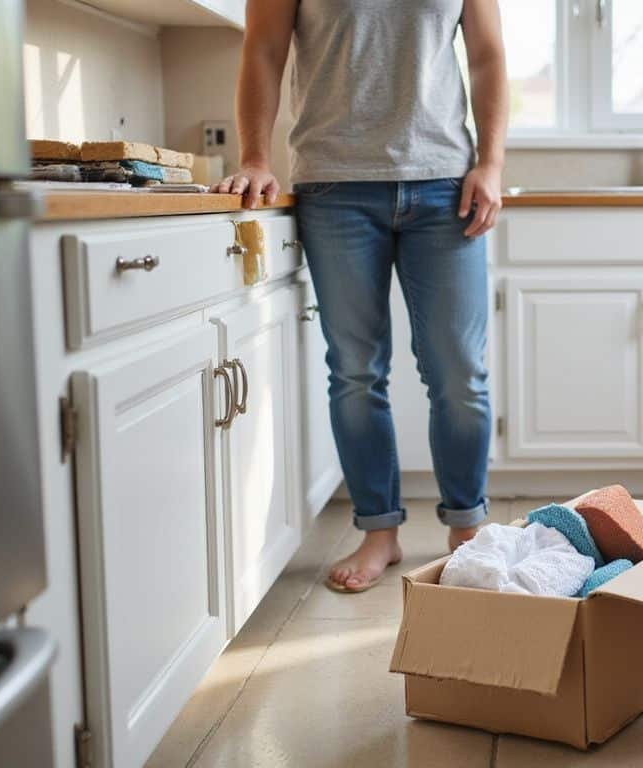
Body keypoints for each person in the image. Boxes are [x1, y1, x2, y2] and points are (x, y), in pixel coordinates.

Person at [214, 0, 508, 593]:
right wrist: (254, 157)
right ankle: (380, 531)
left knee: (458, 370)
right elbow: (264, 51)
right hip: (335, 186)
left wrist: (492, 163)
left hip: (445, 186)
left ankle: (467, 527)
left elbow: (487, 56)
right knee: (355, 370)